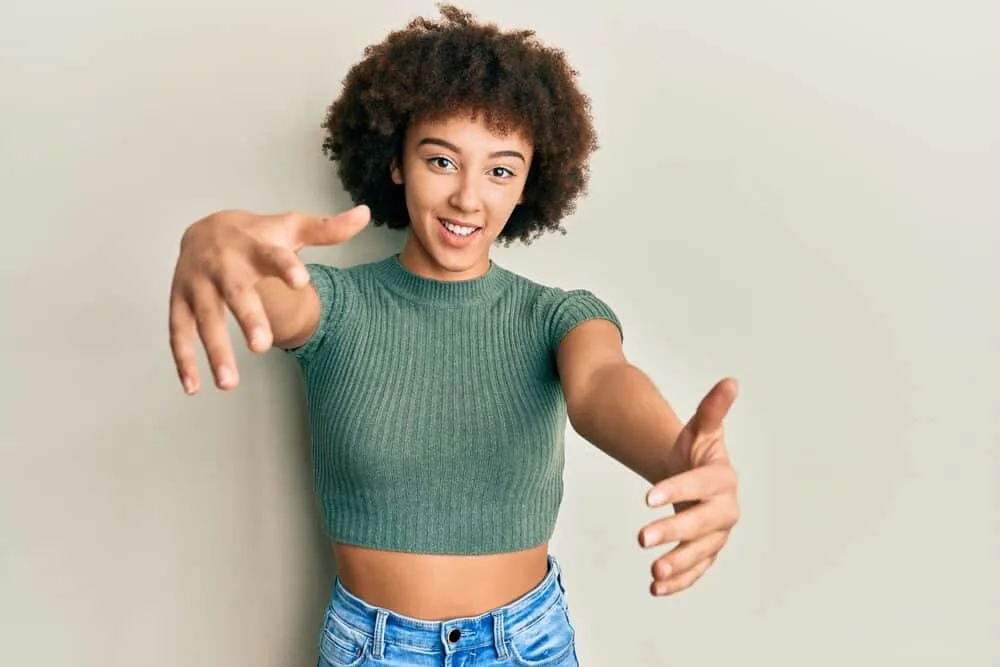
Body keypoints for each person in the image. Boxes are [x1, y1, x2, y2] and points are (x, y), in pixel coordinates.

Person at [168, 5, 740, 665]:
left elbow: (601, 383)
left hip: (527, 644)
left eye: (500, 170)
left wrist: (680, 459)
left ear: (528, 183)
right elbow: (259, 284)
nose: (469, 198)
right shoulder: (339, 306)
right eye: (442, 160)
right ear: (396, 163)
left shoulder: (555, 316)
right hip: (372, 649)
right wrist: (210, 239)